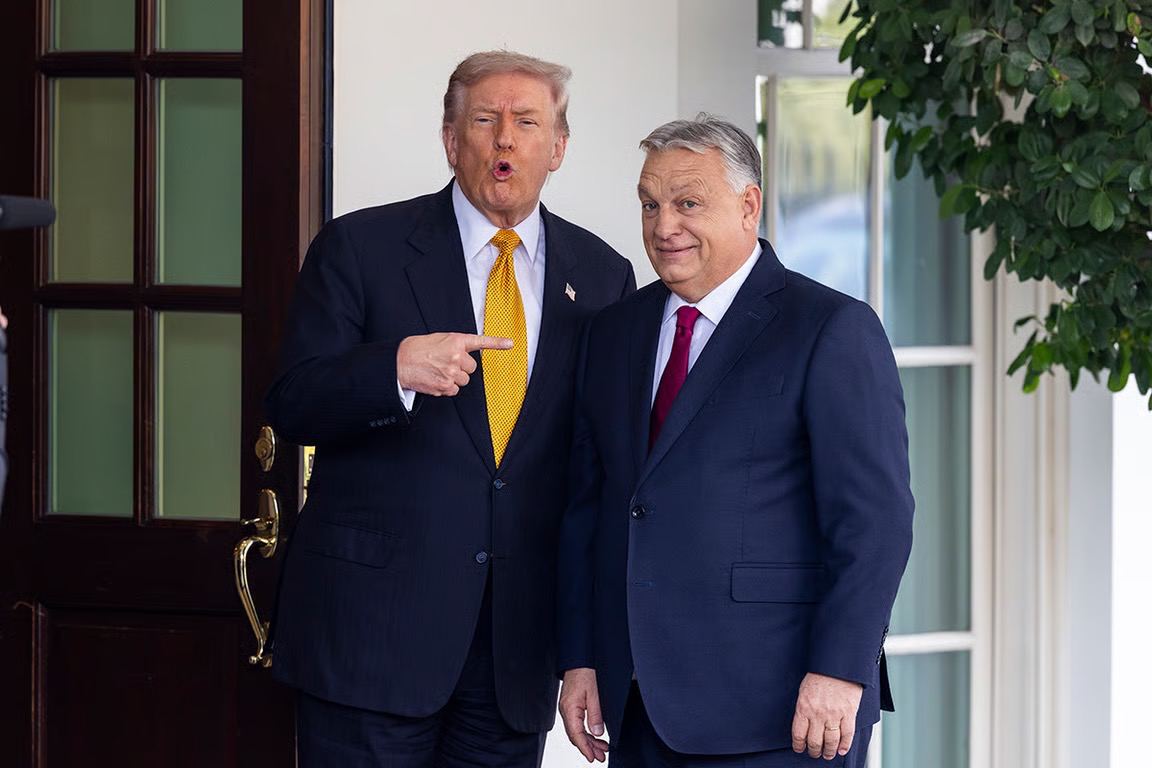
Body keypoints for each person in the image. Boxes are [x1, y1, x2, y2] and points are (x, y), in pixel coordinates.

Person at [265, 51, 635, 767]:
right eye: (485, 120)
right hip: (372, 642)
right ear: (450, 138)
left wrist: (585, 651)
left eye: (528, 123)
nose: (505, 140)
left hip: (513, 656)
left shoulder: (601, 276)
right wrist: (393, 368)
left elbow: (598, 474)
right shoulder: (360, 247)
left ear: (557, 148)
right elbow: (294, 402)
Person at [556, 115, 913, 767]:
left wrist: (841, 671)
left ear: (748, 206)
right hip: (640, 707)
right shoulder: (613, 333)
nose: (664, 227)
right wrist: (581, 657)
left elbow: (876, 522)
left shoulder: (831, 328)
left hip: (786, 711)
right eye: (650, 204)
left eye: (688, 203)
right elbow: (590, 508)